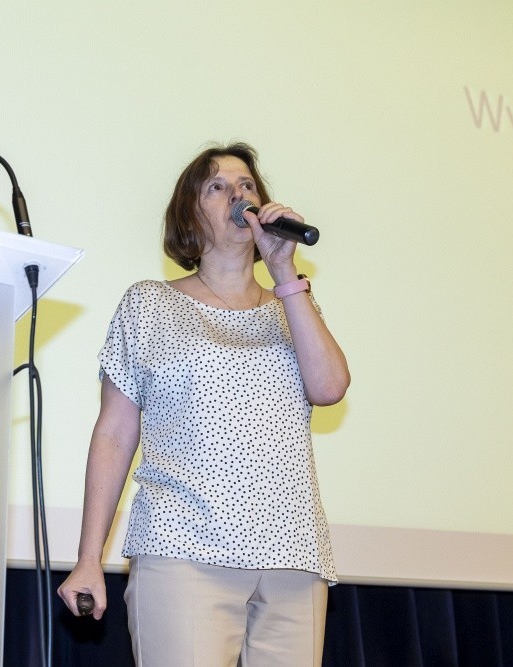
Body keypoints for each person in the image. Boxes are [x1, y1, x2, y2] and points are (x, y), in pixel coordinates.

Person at [57, 142, 350, 666]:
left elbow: (329, 388)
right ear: (189, 217)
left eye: (247, 185)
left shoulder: (292, 305)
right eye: (217, 186)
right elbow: (114, 434)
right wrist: (88, 558)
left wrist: (285, 275)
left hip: (294, 555)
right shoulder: (150, 303)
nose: (238, 194)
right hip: (183, 547)